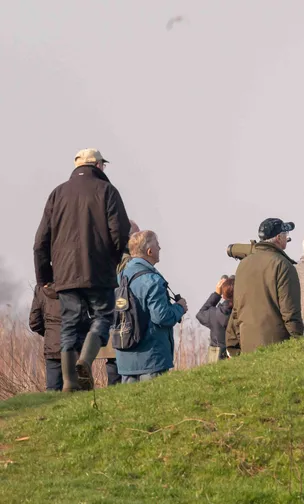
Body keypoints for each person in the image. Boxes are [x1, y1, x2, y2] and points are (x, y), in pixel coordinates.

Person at [33, 148, 131, 392]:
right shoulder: (107, 191)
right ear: (97, 165)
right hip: (98, 273)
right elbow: (120, 233)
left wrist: (44, 278)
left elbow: (40, 242)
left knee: (69, 324)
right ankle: (85, 362)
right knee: (102, 317)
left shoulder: (57, 194)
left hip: (64, 275)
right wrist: (114, 260)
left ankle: (68, 383)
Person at [115, 231, 188, 383]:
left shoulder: (119, 277)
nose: (160, 248)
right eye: (157, 245)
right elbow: (162, 317)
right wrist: (180, 308)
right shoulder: (152, 280)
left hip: (125, 360)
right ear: (150, 251)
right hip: (151, 359)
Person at [228, 218, 303, 355]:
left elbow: (237, 309)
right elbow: (290, 311)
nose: (287, 238)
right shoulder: (283, 265)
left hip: (247, 344)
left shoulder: (243, 265)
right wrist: (299, 342)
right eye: (286, 235)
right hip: (277, 346)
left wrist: (232, 344)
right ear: (279, 238)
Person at [97, 219, 142, 386]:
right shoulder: (129, 260)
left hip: (108, 317)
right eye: (136, 235)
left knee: (112, 367)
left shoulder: (104, 255)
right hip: (123, 318)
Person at [28, 285, 87, 391]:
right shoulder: (77, 283)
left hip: (53, 347)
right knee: (79, 391)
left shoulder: (41, 288)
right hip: (75, 345)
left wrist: (50, 334)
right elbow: (88, 317)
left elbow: (34, 322)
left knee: (53, 392)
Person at [196, 276, 234, 362]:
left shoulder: (213, 313)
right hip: (237, 353)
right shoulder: (242, 311)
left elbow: (200, 314)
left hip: (216, 356)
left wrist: (217, 294)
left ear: (224, 296)